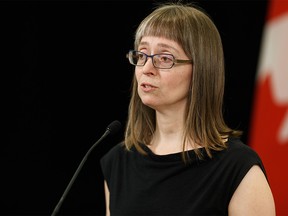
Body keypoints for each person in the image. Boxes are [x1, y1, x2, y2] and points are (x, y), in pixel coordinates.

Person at [100, 2, 275, 215]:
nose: (146, 69)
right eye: (142, 54)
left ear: (201, 71)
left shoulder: (238, 169)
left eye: (165, 58)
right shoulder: (118, 162)